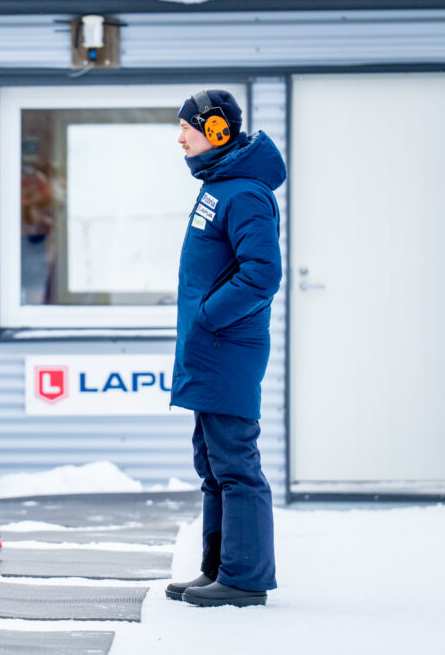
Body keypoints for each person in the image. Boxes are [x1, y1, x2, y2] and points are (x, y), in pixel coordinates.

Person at [165, 90, 285, 608]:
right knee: (213, 463)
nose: (180, 138)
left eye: (187, 128)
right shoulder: (219, 185)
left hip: (228, 344)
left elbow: (262, 273)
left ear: (216, 131)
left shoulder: (245, 194)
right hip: (210, 345)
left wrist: (208, 316)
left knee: (235, 462)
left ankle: (245, 578)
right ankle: (217, 569)